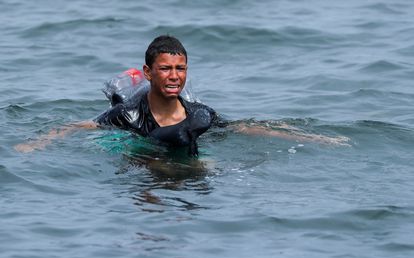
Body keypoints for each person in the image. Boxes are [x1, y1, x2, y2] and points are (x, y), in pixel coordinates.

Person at [14, 35, 349, 154]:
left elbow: (244, 127)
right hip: (139, 145)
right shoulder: (127, 116)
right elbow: (80, 126)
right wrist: (38, 142)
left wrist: (316, 138)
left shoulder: (198, 113)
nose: (174, 77)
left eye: (180, 69)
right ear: (148, 73)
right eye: (165, 69)